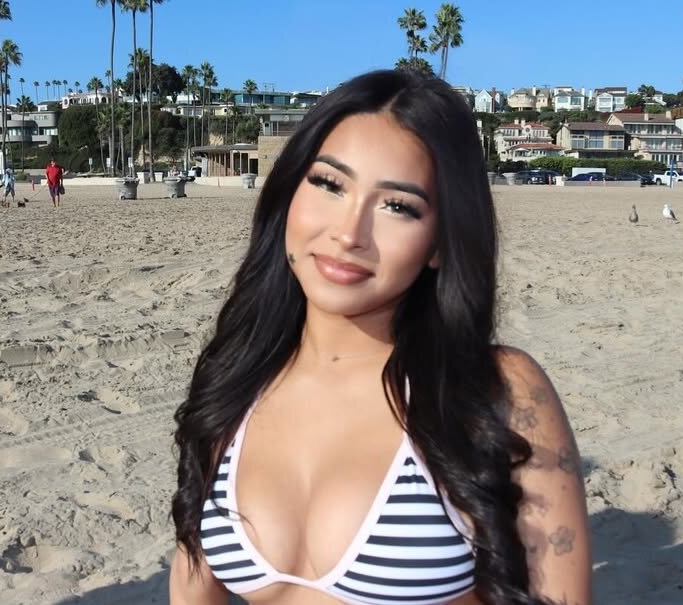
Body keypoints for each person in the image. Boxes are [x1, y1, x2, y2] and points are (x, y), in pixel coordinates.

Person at [170, 70, 591, 605]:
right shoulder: (237, 376)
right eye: (329, 184)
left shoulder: (495, 390)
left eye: (397, 206)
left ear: (439, 243)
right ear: (289, 193)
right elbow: (192, 579)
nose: (349, 233)